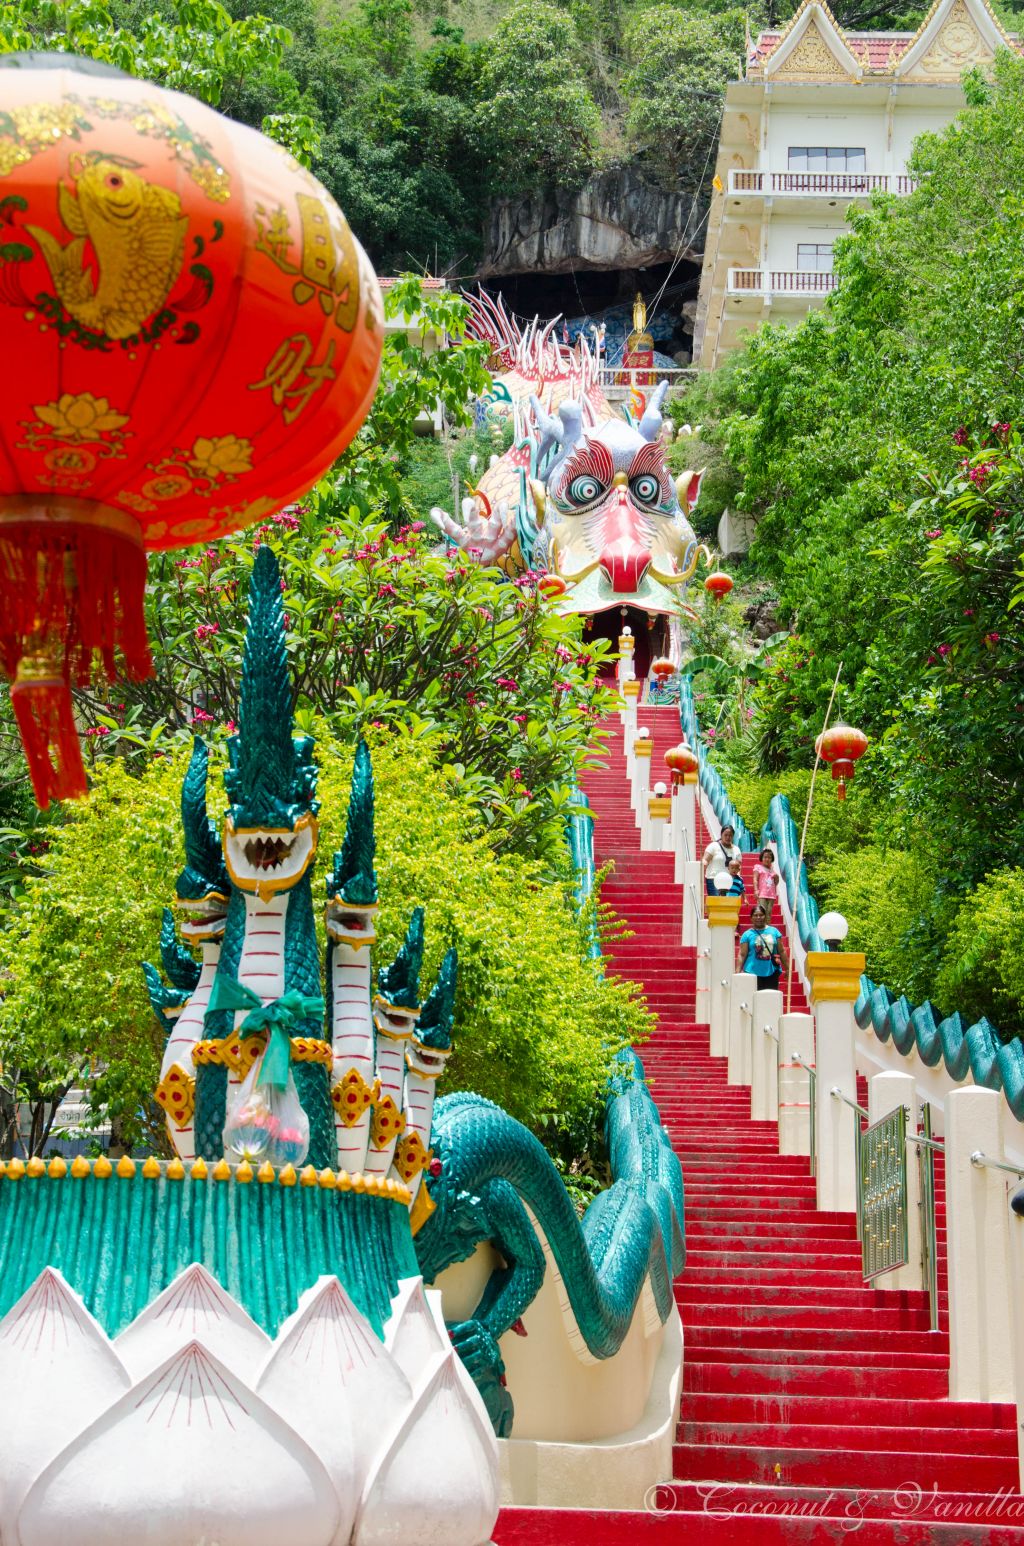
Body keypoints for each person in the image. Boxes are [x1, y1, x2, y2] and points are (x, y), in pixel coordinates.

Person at [738, 904, 789, 992]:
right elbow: (742, 955)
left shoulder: (774, 932)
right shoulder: (747, 934)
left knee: (770, 999)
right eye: (755, 915)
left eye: (761, 915)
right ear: (751, 918)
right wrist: (738, 972)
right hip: (751, 973)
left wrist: (788, 969)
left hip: (771, 972)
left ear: (765, 916)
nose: (758, 917)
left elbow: (781, 951)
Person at [703, 823, 741, 896]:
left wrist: (738, 881)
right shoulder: (713, 846)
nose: (728, 837)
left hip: (730, 881)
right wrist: (702, 867)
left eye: (730, 835)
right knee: (716, 904)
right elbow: (705, 860)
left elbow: (739, 867)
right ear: (721, 835)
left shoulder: (737, 850)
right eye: (725, 835)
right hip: (714, 880)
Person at [752, 848, 779, 921]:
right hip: (762, 894)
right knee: (761, 912)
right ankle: (760, 928)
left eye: (769, 857)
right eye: (765, 857)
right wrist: (756, 890)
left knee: (768, 913)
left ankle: (767, 928)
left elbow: (776, 883)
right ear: (762, 858)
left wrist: (777, 877)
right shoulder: (758, 867)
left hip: (771, 895)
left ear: (771, 859)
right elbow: (755, 879)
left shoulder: (772, 870)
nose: (767, 859)